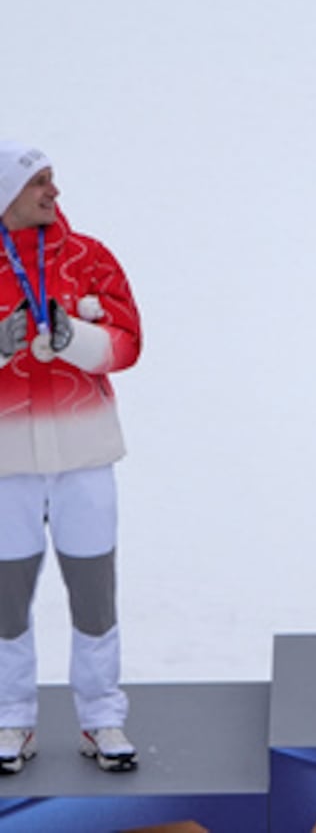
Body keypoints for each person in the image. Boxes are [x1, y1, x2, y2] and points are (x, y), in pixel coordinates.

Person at [0, 140, 141, 774]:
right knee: (5, 601)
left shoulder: (90, 257)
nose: (53, 192)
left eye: (52, 179)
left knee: (94, 592)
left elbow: (128, 341)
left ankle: (102, 716)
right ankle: (11, 717)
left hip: (84, 453)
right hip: (6, 463)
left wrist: (75, 337)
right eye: (39, 182)